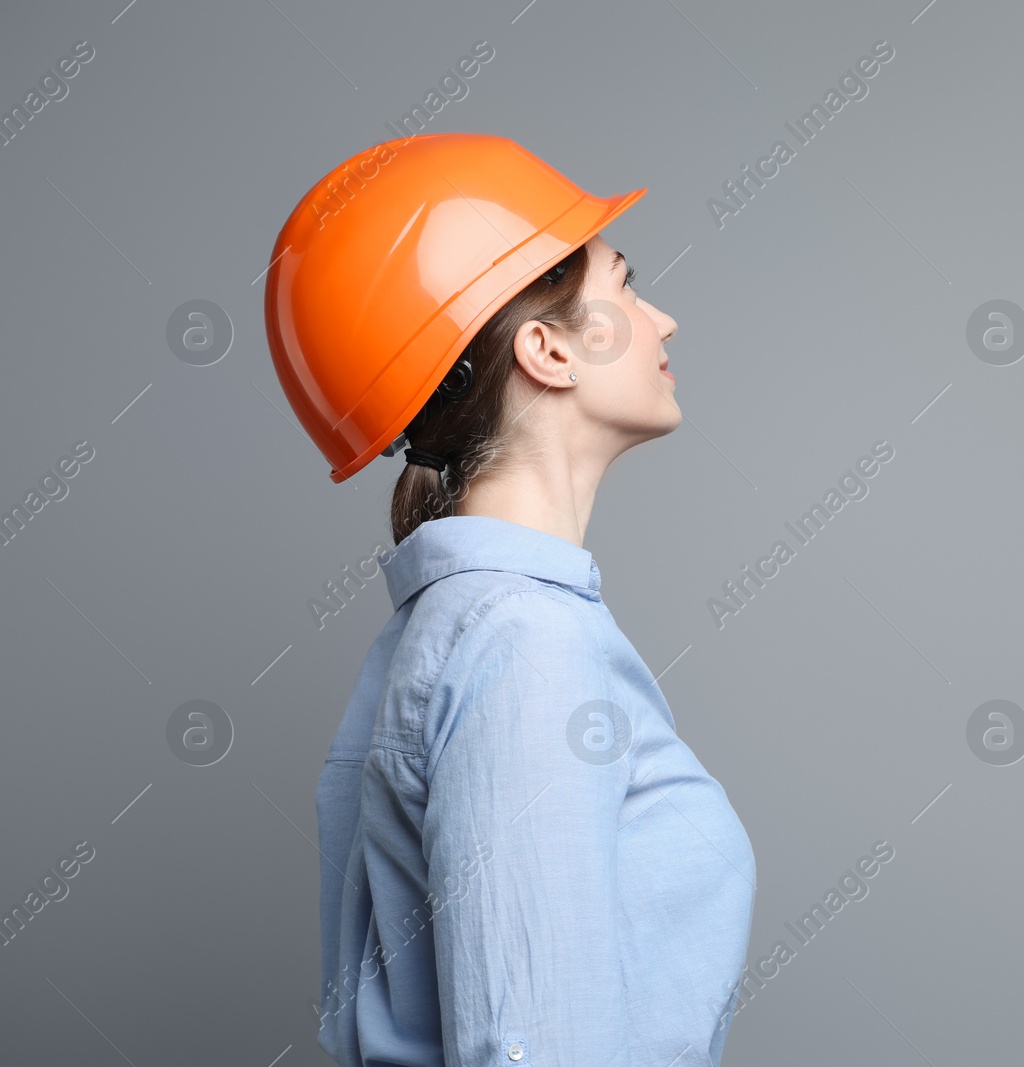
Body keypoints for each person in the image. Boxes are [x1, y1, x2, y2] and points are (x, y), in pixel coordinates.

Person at [264, 132, 756, 1066]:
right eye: (625, 283)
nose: (665, 319)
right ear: (546, 349)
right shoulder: (525, 643)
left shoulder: (464, 625)